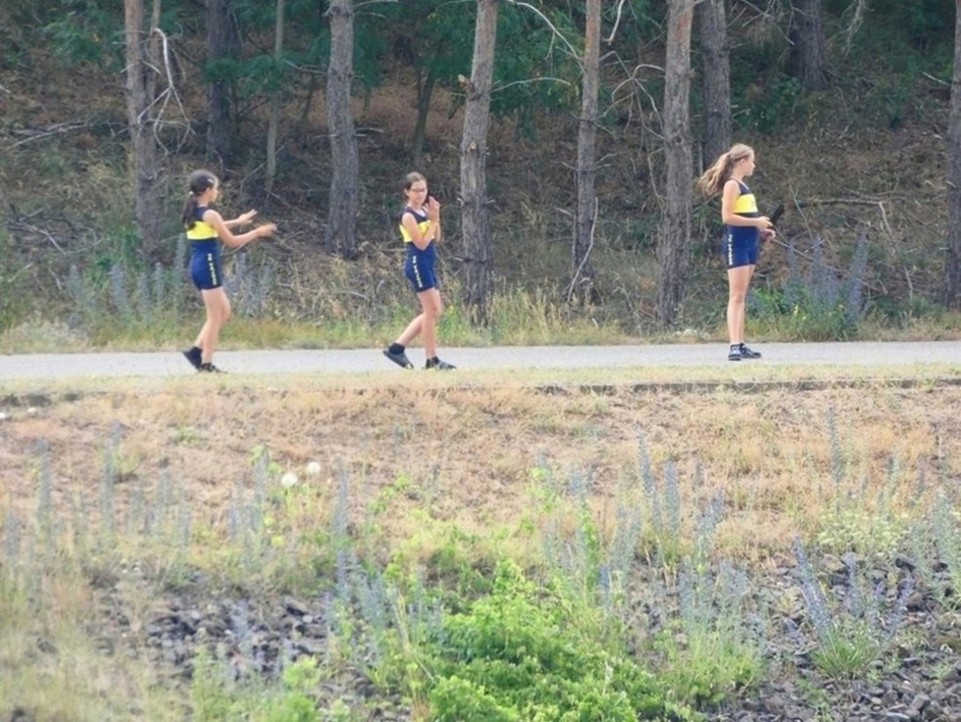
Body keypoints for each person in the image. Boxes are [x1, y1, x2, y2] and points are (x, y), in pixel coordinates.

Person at [180, 169, 276, 373]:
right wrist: (257, 233)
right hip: (207, 266)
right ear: (207, 190)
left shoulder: (194, 211)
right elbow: (232, 241)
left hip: (198, 266)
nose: (217, 192)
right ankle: (206, 364)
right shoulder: (211, 214)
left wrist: (238, 222)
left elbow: (215, 225)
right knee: (215, 317)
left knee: (224, 312)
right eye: (216, 189)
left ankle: (195, 352)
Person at [696, 143, 775, 361]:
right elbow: (727, 217)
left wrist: (761, 230)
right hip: (737, 244)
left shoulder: (744, 186)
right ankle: (733, 345)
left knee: (742, 296)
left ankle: (740, 343)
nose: (754, 166)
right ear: (742, 161)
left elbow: (745, 216)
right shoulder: (732, 185)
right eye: (752, 161)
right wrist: (756, 222)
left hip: (750, 243)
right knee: (736, 296)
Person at [383, 171, 455, 370]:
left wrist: (435, 218)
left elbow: (436, 238)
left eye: (423, 190)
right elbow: (421, 244)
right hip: (417, 263)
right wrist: (433, 221)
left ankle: (397, 348)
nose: (420, 194)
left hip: (428, 263)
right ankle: (432, 359)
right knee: (430, 311)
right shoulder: (408, 216)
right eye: (415, 190)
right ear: (407, 192)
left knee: (435, 311)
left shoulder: (424, 211)